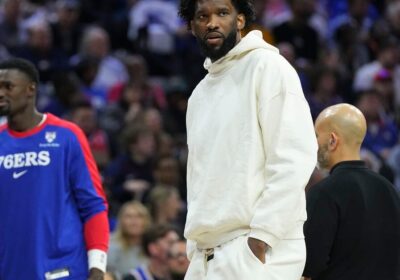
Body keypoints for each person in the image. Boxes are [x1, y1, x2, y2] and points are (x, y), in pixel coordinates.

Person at [178, 0, 318, 279]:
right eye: (202, 16)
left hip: (254, 249)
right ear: (193, 27)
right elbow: (198, 177)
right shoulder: (199, 95)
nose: (212, 23)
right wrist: (194, 247)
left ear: (240, 20)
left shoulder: (268, 66)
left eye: (222, 13)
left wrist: (263, 235)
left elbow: (293, 156)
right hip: (206, 256)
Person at [0, 58, 109, 279]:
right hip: (11, 269)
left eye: (8, 86)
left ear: (31, 89)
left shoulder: (67, 135)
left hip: (63, 269)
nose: (1, 93)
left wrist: (97, 268)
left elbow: (93, 205)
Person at [303, 103, 400, 280]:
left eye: (316, 136)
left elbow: (309, 265)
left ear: (332, 140)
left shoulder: (323, 193)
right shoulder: (391, 190)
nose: (313, 144)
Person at [107, 201, 152, 276]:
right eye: (129, 216)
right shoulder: (109, 244)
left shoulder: (153, 247)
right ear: (121, 221)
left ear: (146, 221)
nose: (134, 221)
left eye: (139, 216)